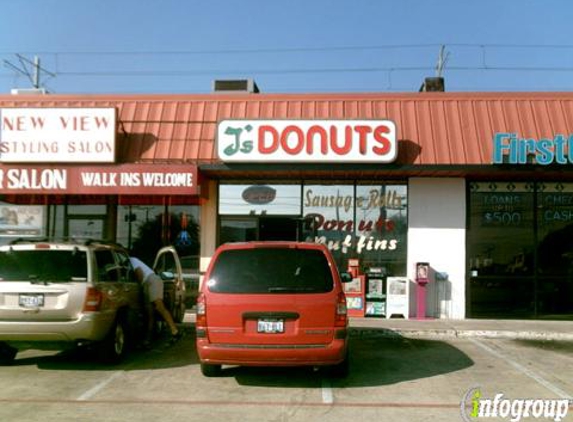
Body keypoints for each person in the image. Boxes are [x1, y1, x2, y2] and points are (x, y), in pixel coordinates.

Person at [130, 256, 183, 346]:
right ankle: (148, 339)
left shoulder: (131, 260)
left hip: (151, 281)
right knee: (150, 313)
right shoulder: (128, 262)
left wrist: (139, 288)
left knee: (159, 307)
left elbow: (140, 274)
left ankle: (175, 331)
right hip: (147, 283)